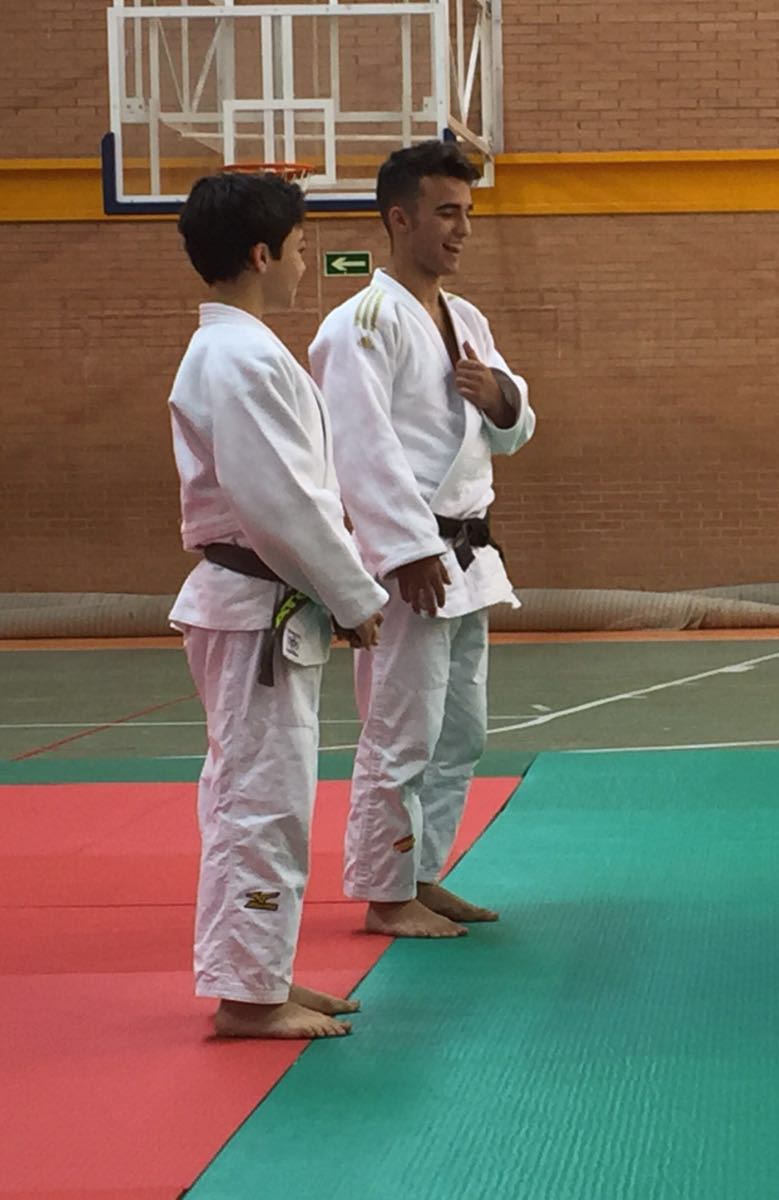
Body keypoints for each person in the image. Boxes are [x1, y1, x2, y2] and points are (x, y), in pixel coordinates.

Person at [167, 172, 388, 1038]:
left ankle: (261, 975)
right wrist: (352, 596)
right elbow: (280, 503)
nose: (304, 264)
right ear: (262, 254)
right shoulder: (240, 358)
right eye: (298, 250)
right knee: (259, 799)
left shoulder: (240, 352)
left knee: (262, 795)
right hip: (258, 604)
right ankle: (249, 998)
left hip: (261, 605)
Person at [311, 140, 535, 939]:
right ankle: (385, 892)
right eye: (446, 212)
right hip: (413, 561)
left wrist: (501, 397)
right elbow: (357, 448)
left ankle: (422, 871)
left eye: (467, 213)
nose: (462, 229)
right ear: (399, 219)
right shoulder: (362, 324)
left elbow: (510, 429)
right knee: (401, 731)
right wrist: (405, 549)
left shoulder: (465, 318)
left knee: (462, 731)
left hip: (469, 556)